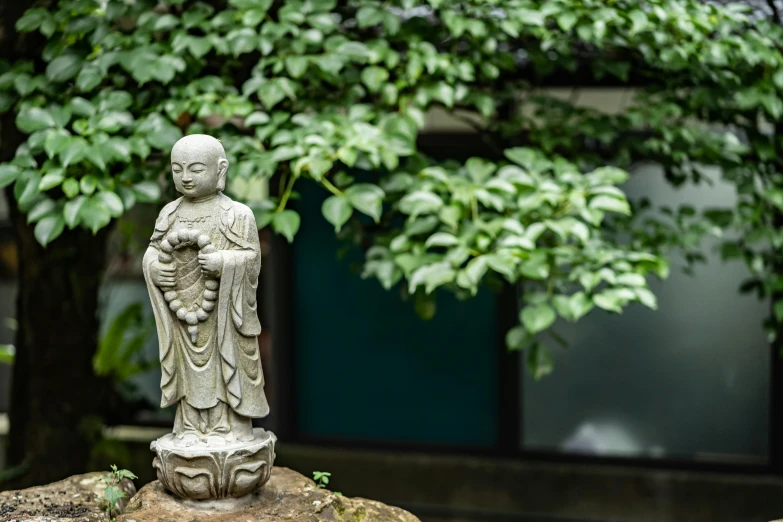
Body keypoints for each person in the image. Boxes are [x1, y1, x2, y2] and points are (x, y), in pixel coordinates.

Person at [142, 134, 269, 446]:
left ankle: (233, 428)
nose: (185, 177)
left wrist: (224, 262)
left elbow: (252, 260)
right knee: (188, 370)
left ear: (220, 170)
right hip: (183, 314)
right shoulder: (169, 213)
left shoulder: (237, 215)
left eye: (195, 169)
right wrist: (154, 268)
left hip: (224, 316)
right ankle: (191, 428)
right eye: (176, 169)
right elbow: (152, 251)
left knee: (228, 365)